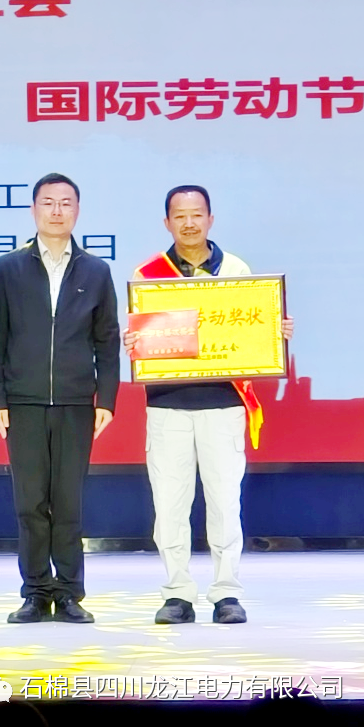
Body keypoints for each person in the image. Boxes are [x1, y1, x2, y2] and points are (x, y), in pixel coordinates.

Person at [125, 184, 294, 625]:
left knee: (224, 502)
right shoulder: (149, 276)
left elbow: (253, 328)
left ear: (210, 219)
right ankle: (177, 593)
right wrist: (134, 340)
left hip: (223, 404)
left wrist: (274, 332)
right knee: (170, 505)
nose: (189, 223)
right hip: (167, 406)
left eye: (196, 214)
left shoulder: (237, 270)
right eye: (179, 216)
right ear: (167, 222)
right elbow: (146, 337)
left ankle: (226, 592)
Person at [0, 172, 120, 624]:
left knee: (68, 502)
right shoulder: (7, 268)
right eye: (48, 202)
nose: (57, 211)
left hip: (77, 402)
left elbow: (107, 340)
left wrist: (106, 399)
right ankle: (36, 592)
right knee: (30, 503)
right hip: (22, 402)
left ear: (77, 211)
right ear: (33, 209)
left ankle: (70, 592)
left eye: (65, 203)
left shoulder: (96, 271)